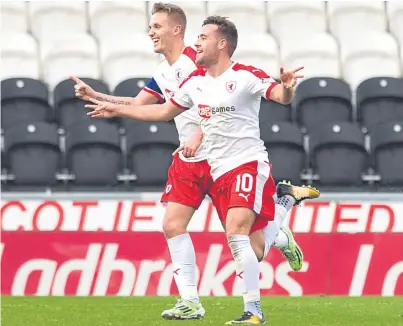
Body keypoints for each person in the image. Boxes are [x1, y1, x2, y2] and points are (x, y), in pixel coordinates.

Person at [84, 14, 320, 324]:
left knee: (237, 233)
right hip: (215, 168)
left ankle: (253, 311)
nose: (197, 42)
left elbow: (279, 95)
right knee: (254, 248)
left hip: (246, 162)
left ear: (221, 44)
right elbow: (162, 110)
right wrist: (111, 107)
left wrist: (287, 87)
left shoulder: (245, 75)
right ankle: (285, 205)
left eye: (203, 37)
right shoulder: (191, 81)